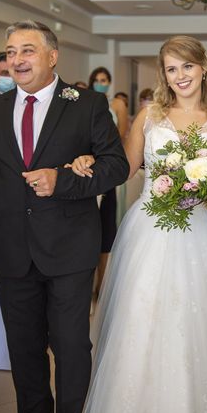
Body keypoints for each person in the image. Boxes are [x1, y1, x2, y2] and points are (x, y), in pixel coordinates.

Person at [76, 35, 207, 413]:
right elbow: (125, 167)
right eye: (171, 68)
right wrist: (87, 161)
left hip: (204, 230)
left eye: (187, 66)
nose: (180, 76)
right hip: (151, 229)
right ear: (163, 75)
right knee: (144, 312)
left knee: (204, 316)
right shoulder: (149, 117)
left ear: (203, 68)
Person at [0, 20, 128, 413]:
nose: (17, 59)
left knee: (70, 348)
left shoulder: (86, 104)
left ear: (52, 57)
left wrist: (62, 180)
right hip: (13, 250)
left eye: (27, 50)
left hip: (69, 249)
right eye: (11, 52)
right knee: (25, 350)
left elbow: (116, 167)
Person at [87, 66, 126, 297]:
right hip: (88, 169)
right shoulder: (86, 102)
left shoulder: (117, 105)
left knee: (107, 229)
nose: (100, 83)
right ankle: (88, 282)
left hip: (107, 167)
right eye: (97, 80)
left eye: (104, 80)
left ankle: (102, 285)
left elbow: (120, 135)